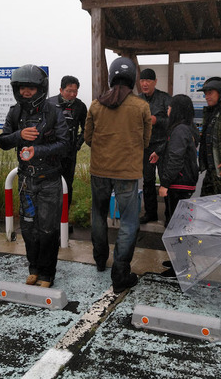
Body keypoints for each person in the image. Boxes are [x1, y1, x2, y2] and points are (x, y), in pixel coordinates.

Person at [85, 57, 151, 293]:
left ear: (112, 77)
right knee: (129, 221)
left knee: (98, 214)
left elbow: (88, 138)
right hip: (127, 173)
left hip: (100, 170)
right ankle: (120, 271)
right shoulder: (141, 106)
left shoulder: (95, 105)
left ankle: (100, 259)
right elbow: (145, 141)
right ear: (132, 78)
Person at [0, 65, 68, 288]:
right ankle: (34, 268)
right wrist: (19, 136)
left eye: (30, 88)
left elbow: (65, 144)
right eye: (21, 88)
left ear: (41, 89)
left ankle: (47, 273)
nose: (25, 92)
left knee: (48, 228)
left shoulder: (54, 112)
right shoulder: (15, 112)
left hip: (49, 180)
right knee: (28, 227)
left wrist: (39, 150)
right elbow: (3, 141)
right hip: (26, 180)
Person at [153, 94, 199, 222]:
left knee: (175, 222)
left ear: (176, 110)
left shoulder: (179, 130)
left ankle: (176, 242)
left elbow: (175, 159)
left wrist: (165, 184)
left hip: (179, 183)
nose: (168, 109)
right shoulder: (189, 127)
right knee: (179, 219)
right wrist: (158, 151)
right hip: (184, 181)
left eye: (170, 107)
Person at [47, 75, 87, 208]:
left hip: (70, 153)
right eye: (69, 91)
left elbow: (86, 128)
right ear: (61, 90)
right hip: (51, 152)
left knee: (67, 184)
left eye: (75, 91)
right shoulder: (50, 103)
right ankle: (51, 218)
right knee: (51, 183)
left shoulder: (80, 106)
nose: (72, 94)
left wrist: (77, 144)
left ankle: (64, 218)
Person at [138, 68, 171, 224]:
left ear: (155, 82)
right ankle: (150, 213)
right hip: (145, 147)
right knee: (148, 181)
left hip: (163, 146)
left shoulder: (164, 99)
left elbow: (173, 121)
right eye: (142, 81)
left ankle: (169, 215)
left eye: (148, 81)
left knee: (166, 180)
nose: (145, 84)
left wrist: (157, 120)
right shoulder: (137, 100)